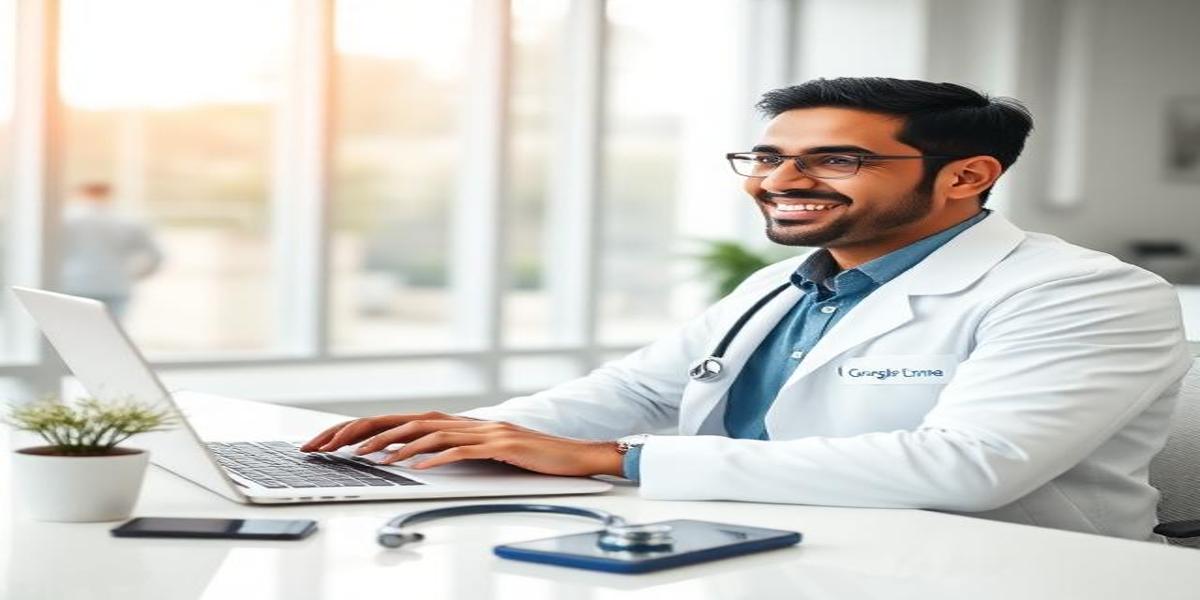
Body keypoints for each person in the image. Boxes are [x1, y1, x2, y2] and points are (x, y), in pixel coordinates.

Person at [302, 78, 1192, 541]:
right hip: (775, 543)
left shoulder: (1084, 294)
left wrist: (613, 460)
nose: (779, 180)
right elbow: (636, 392)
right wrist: (465, 436)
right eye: (765, 157)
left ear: (966, 176)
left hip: (1013, 573)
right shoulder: (782, 281)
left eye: (836, 159)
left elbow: (970, 468)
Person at [60, 182, 163, 320]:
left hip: (75, 284)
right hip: (115, 286)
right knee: (110, 330)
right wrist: (134, 276)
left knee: (73, 328)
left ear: (81, 194)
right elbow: (156, 256)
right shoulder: (129, 220)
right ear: (109, 194)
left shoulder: (67, 219)